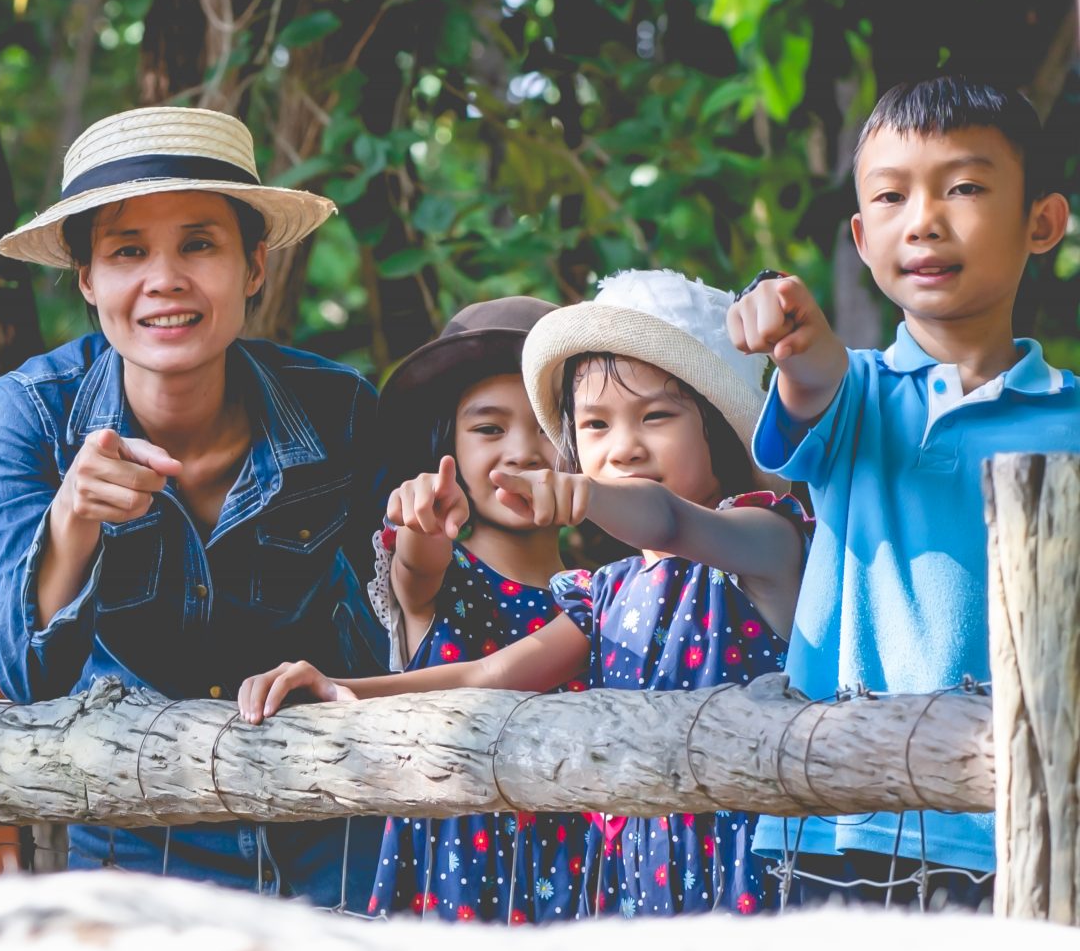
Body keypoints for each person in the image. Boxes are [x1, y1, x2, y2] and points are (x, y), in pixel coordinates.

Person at [239, 271, 810, 918]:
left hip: (742, 867)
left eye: (655, 416)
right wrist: (344, 689)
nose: (622, 447)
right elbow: (485, 673)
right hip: (627, 887)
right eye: (594, 424)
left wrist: (591, 496)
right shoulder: (604, 595)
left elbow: (673, 521)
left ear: (720, 429)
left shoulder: (765, 541)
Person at [0, 106, 387, 908]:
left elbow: (398, 633)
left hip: (334, 818)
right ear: (87, 280)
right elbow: (22, 675)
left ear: (254, 267)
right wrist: (72, 521)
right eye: (128, 251)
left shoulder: (339, 410)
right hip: (135, 837)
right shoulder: (31, 411)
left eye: (199, 244)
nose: (165, 278)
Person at [730, 73, 1079, 911]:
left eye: (963, 186)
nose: (922, 218)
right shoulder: (860, 395)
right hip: (832, 821)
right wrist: (789, 320)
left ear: (1043, 222)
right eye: (891, 196)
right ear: (860, 234)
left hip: (1016, 826)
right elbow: (812, 377)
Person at [358, 296, 592, 922]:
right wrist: (424, 521)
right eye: (488, 429)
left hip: (583, 892)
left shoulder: (609, 591)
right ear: (448, 448)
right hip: (454, 891)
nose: (521, 453)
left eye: (547, 427)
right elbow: (417, 563)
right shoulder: (442, 578)